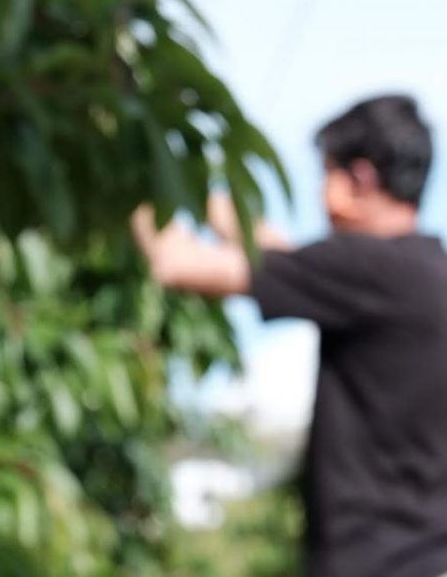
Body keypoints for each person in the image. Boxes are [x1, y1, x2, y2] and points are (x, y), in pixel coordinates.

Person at [131, 94, 447, 577]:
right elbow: (282, 257)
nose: (320, 195)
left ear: (359, 179)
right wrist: (191, 184)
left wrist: (127, 172)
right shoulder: (423, 275)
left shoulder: (365, 267)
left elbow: (177, 263)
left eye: (326, 174)